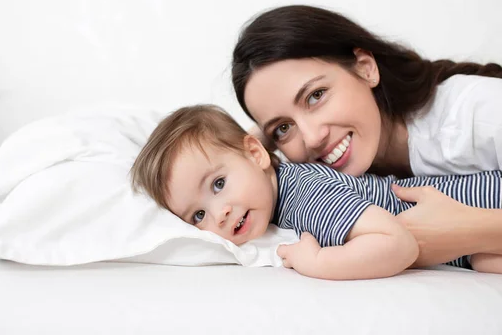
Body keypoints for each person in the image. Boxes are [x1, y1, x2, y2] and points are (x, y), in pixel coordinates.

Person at [231, 5, 502, 267]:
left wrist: (469, 229)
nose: (312, 138)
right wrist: (250, 146)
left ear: (365, 67)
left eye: (316, 95)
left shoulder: (480, 110)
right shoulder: (337, 180)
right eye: (283, 128)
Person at [130, 104, 502, 280]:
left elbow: (397, 244)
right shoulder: (282, 195)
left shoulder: (304, 195)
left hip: (484, 199)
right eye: (198, 216)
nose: (220, 213)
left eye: (218, 184)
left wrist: (317, 263)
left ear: (256, 153)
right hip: (470, 246)